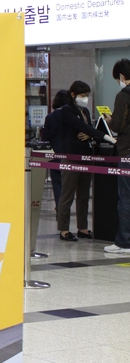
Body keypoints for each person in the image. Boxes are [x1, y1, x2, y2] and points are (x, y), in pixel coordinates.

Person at [55, 80, 115, 242]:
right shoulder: (66, 111)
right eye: (82, 95)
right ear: (73, 95)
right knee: (67, 194)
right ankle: (64, 229)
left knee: (83, 194)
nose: (85, 98)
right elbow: (79, 125)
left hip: (86, 156)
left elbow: (87, 128)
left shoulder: (86, 111)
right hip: (71, 156)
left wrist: (90, 134)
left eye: (87, 95)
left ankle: (83, 227)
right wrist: (103, 136)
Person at [104, 60, 130, 254]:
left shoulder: (123, 96)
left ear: (121, 77)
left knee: (126, 199)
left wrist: (110, 121)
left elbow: (118, 125)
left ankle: (124, 242)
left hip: (127, 152)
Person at [41, 90, 68, 205]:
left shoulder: (50, 117)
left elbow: (46, 136)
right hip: (69, 153)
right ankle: (65, 208)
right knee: (68, 183)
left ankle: (59, 207)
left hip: (54, 153)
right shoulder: (70, 116)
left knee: (57, 182)